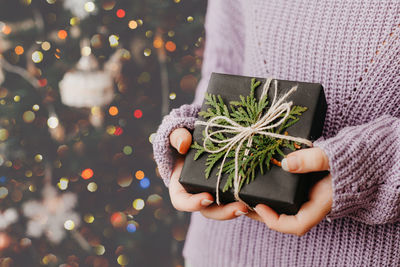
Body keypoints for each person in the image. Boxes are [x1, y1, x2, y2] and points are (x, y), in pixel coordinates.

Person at [153, 1, 400, 266]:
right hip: (220, 250)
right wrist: (193, 139)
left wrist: (377, 164)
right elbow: (223, 69)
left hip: (362, 253)